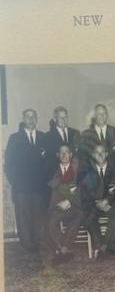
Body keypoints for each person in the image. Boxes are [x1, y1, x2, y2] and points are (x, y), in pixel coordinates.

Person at [4, 108, 48, 254]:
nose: (31, 119)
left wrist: (45, 183)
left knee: (38, 214)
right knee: (23, 215)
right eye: (28, 117)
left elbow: (47, 163)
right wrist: (15, 182)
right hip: (21, 186)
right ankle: (27, 244)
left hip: (39, 186)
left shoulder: (43, 137)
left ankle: (38, 241)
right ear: (23, 119)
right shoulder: (14, 138)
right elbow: (8, 164)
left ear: (36, 119)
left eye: (33, 117)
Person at [79, 142, 115, 260]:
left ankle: (104, 247)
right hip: (95, 206)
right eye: (97, 153)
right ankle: (102, 246)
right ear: (93, 155)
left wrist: (107, 201)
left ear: (106, 154)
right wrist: (97, 202)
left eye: (102, 152)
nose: (100, 155)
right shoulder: (87, 171)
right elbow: (85, 193)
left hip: (110, 205)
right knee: (87, 215)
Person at [42, 143, 83, 263]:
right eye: (61, 152)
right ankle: (64, 249)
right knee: (50, 222)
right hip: (58, 206)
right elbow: (51, 191)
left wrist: (69, 201)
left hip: (74, 206)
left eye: (67, 152)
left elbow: (81, 190)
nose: (64, 154)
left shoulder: (78, 170)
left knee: (80, 215)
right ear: (57, 155)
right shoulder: (53, 172)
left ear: (71, 154)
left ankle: (63, 250)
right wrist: (59, 204)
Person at [79, 104, 115, 170]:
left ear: (107, 115)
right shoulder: (85, 135)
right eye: (99, 114)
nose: (102, 116)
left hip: (113, 173)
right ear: (95, 116)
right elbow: (83, 157)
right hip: (92, 172)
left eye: (104, 113)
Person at [45, 106, 80, 179]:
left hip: (74, 175)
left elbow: (78, 154)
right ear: (55, 119)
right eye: (60, 117)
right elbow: (49, 159)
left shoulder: (75, 133)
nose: (63, 120)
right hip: (56, 175)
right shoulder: (48, 136)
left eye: (65, 117)